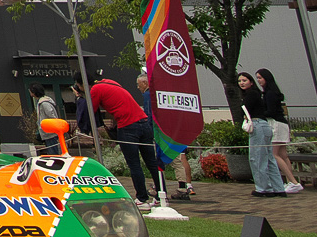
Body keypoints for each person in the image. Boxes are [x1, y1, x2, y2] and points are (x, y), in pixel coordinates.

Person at [72, 74, 158, 206]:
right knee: (151, 162)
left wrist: (79, 98)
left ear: (80, 85)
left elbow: (90, 109)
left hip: (128, 125)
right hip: (143, 121)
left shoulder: (94, 90)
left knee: (134, 164)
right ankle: (161, 194)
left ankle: (142, 198)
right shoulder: (109, 82)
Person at [135, 72, 196, 200]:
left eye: (138, 84)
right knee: (175, 159)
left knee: (164, 159)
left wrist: (148, 131)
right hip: (172, 130)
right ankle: (180, 186)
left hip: (162, 133)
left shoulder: (148, 95)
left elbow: (149, 115)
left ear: (145, 83)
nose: (137, 87)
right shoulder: (162, 94)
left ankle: (162, 188)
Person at [234, 72, 285, 197]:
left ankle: (264, 188)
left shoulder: (251, 94)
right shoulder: (256, 94)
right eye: (240, 81)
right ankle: (278, 188)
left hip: (257, 125)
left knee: (257, 158)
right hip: (265, 125)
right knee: (269, 158)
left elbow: (245, 111)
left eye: (244, 80)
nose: (242, 83)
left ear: (251, 82)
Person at [256, 69, 303, 194]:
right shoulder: (270, 92)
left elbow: (270, 112)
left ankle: (294, 182)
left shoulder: (270, 94)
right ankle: (291, 182)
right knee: (283, 155)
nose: (259, 81)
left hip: (276, 123)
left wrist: (260, 114)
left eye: (260, 78)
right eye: (257, 78)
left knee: (274, 154)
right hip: (281, 124)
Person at [31, 84, 61, 154]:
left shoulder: (44, 103)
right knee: (51, 150)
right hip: (47, 132)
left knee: (53, 152)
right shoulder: (41, 102)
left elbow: (51, 116)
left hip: (50, 132)